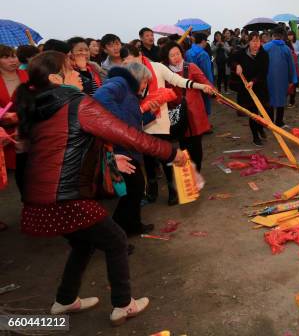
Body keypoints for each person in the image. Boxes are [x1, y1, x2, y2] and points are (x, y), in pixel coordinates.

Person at [15, 50, 187, 326]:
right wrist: (170, 153)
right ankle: (123, 304)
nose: (80, 75)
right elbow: (125, 134)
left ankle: (65, 300)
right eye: (72, 70)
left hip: (40, 199)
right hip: (67, 196)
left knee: (84, 244)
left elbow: (68, 146)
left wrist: (110, 157)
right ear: (56, 79)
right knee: (116, 240)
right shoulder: (77, 104)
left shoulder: (40, 107)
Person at [121, 45, 214, 205]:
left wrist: (201, 86)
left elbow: (178, 81)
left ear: (140, 55)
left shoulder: (157, 68)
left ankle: (172, 191)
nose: (131, 65)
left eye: (132, 60)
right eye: (126, 62)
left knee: (165, 156)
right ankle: (152, 191)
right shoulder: (126, 74)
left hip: (159, 120)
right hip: (141, 122)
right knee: (148, 160)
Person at [93, 63, 156, 235]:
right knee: (132, 191)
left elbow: (135, 119)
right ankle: (117, 234)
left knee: (135, 190)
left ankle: (133, 226)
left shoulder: (129, 91)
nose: (145, 86)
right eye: (145, 82)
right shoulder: (120, 82)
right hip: (119, 148)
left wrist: (151, 111)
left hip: (128, 146)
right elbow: (99, 98)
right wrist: (120, 126)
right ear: (138, 78)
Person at [160, 41, 214, 175]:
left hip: (194, 113)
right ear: (167, 58)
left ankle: (196, 172)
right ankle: (188, 175)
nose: (176, 57)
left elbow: (204, 81)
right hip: (177, 114)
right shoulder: (164, 71)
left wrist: (211, 90)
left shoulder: (191, 67)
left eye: (177, 53)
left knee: (196, 146)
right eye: (172, 55)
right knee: (183, 145)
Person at [0, 45, 29, 193]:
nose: (12, 60)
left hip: (28, 129)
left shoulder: (27, 75)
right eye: (6, 57)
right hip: (5, 134)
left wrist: (20, 116)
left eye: (14, 56)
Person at [234, 33, 270, 146]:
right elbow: (231, 60)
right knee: (253, 113)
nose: (256, 44)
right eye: (253, 41)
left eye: (258, 41)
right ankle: (255, 137)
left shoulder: (264, 55)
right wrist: (236, 65)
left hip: (260, 86)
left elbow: (263, 72)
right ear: (249, 42)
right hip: (247, 89)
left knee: (266, 111)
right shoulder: (241, 53)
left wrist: (253, 81)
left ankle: (260, 128)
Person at [263, 26, 297, 127]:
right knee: (281, 100)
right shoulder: (286, 49)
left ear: (272, 36)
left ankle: (269, 122)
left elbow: (260, 63)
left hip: (268, 78)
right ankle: (279, 122)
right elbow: (291, 65)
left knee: (269, 99)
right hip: (283, 79)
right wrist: (292, 79)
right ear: (282, 36)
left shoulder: (266, 47)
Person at [186, 33, 214, 116]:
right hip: (203, 83)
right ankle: (205, 126)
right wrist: (211, 85)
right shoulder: (203, 54)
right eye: (206, 41)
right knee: (205, 105)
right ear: (203, 41)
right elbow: (207, 72)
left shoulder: (188, 52)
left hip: (191, 83)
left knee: (195, 106)